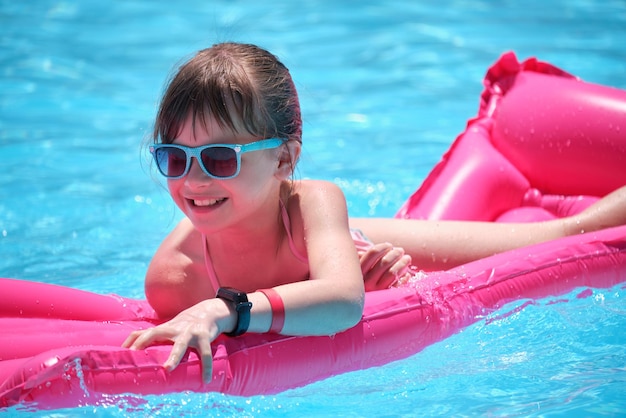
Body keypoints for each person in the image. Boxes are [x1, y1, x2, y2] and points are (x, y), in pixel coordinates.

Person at [123, 42, 626, 383]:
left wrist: (226, 308)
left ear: (283, 158)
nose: (193, 181)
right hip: (355, 264)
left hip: (359, 244)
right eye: (172, 157)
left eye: (219, 157)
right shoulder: (175, 278)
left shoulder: (313, 202)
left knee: (562, 236)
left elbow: (342, 299)